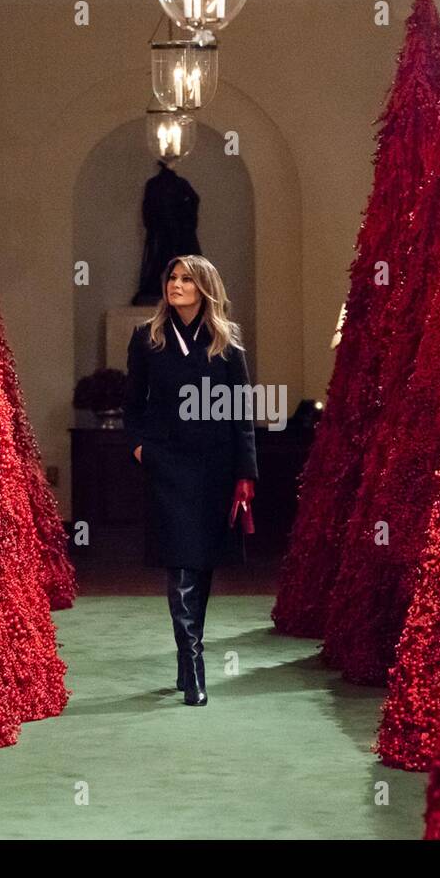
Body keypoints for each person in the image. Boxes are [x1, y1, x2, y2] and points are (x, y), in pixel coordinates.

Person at [124, 254, 257, 706]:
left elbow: (242, 415)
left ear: (204, 288)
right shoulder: (148, 338)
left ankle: (186, 660)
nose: (175, 285)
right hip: (167, 465)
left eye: (185, 279)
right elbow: (132, 405)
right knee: (180, 563)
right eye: (172, 278)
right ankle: (196, 666)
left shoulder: (226, 341)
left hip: (215, 467)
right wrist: (141, 447)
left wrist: (245, 473)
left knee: (201, 565)